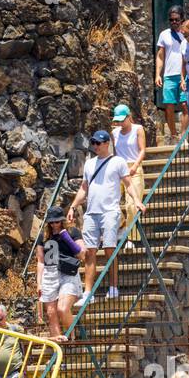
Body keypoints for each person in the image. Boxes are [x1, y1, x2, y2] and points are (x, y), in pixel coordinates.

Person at [66, 130, 145, 305]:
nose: (95, 146)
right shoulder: (89, 164)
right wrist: (73, 206)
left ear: (107, 143)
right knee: (90, 252)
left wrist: (137, 200)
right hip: (92, 213)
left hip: (110, 211)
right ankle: (88, 293)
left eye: (98, 143)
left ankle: (113, 287)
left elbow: (128, 184)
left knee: (110, 250)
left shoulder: (118, 162)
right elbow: (84, 188)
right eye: (93, 142)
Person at [35, 208, 84, 339]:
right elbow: (40, 261)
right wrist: (39, 283)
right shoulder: (43, 236)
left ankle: (72, 335)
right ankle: (58, 346)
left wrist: (66, 237)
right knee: (51, 313)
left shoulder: (73, 232)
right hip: (49, 275)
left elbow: (81, 254)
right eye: (51, 223)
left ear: (62, 221)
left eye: (57, 222)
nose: (54, 225)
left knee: (62, 309)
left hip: (68, 274)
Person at [155, 6, 189, 141]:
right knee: (169, 105)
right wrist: (158, 74)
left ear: (182, 19)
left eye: (177, 19)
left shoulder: (187, 33)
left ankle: (184, 136)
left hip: (185, 74)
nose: (174, 22)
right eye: (171, 20)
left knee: (185, 104)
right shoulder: (164, 34)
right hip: (169, 75)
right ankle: (174, 135)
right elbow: (160, 56)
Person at [112, 104, 146, 238]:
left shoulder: (138, 129)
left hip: (134, 168)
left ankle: (132, 237)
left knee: (132, 205)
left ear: (129, 116)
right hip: (118, 169)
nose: (120, 123)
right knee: (110, 203)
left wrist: (135, 166)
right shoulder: (114, 133)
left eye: (122, 120)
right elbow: (115, 153)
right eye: (118, 120)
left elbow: (142, 150)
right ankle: (123, 228)